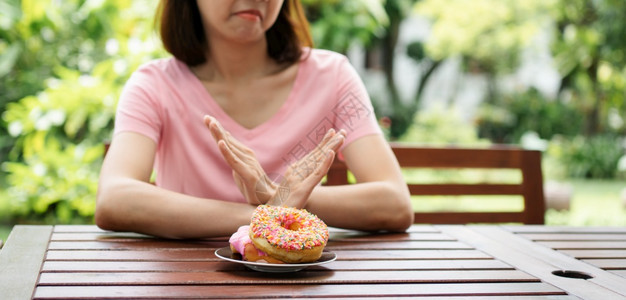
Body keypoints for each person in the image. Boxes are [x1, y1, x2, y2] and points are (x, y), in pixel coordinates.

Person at [95, 0, 413, 239]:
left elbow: (394, 201)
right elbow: (115, 198)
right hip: (187, 284)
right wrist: (271, 212)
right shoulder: (154, 85)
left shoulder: (334, 76)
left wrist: (277, 196)